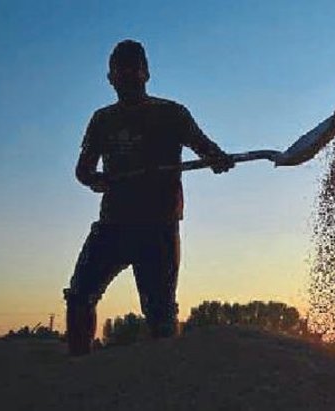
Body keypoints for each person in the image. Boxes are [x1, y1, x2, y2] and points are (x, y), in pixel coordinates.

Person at [63, 40, 234, 356]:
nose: (126, 76)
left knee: (160, 312)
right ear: (110, 77)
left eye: (133, 68)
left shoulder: (172, 114)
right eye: (119, 70)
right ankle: (79, 366)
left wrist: (217, 159)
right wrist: (98, 180)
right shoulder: (103, 120)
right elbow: (83, 170)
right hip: (113, 223)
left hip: (159, 225)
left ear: (146, 74)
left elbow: (204, 146)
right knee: (79, 295)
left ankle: (166, 381)